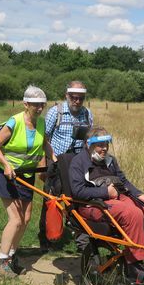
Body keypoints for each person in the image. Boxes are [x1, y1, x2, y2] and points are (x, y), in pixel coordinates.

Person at [69, 127, 144, 283]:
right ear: (88, 144)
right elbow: (77, 191)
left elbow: (123, 182)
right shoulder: (78, 162)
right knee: (132, 213)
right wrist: (105, 192)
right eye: (100, 145)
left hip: (117, 198)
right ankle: (134, 266)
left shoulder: (110, 161)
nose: (104, 149)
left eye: (106, 144)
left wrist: (140, 194)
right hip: (92, 205)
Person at [0, 85, 56, 279]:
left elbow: (44, 145)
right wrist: (6, 165)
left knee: (25, 220)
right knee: (15, 220)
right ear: (25, 104)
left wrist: (55, 160)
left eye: (42, 104)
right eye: (36, 105)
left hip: (26, 175)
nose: (40, 108)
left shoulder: (41, 123)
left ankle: (11, 256)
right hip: (6, 175)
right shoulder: (14, 122)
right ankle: (1, 263)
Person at [38, 80, 94, 250]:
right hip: (56, 162)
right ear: (67, 96)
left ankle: (82, 241)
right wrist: (43, 163)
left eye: (80, 98)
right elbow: (43, 138)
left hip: (78, 163)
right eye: (74, 97)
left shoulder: (87, 114)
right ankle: (46, 238)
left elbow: (89, 139)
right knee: (50, 199)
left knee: (79, 200)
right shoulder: (56, 112)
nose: (77, 101)